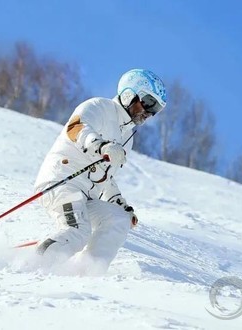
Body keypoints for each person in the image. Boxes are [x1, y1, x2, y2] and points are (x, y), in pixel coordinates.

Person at [33, 69, 167, 275]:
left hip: (87, 196)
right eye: (149, 102)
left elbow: (106, 177)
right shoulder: (100, 107)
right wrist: (101, 146)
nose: (149, 112)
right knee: (78, 230)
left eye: (156, 108)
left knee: (118, 219)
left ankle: (85, 274)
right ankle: (32, 267)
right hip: (61, 182)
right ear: (129, 94)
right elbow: (75, 128)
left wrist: (121, 204)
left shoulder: (127, 137)